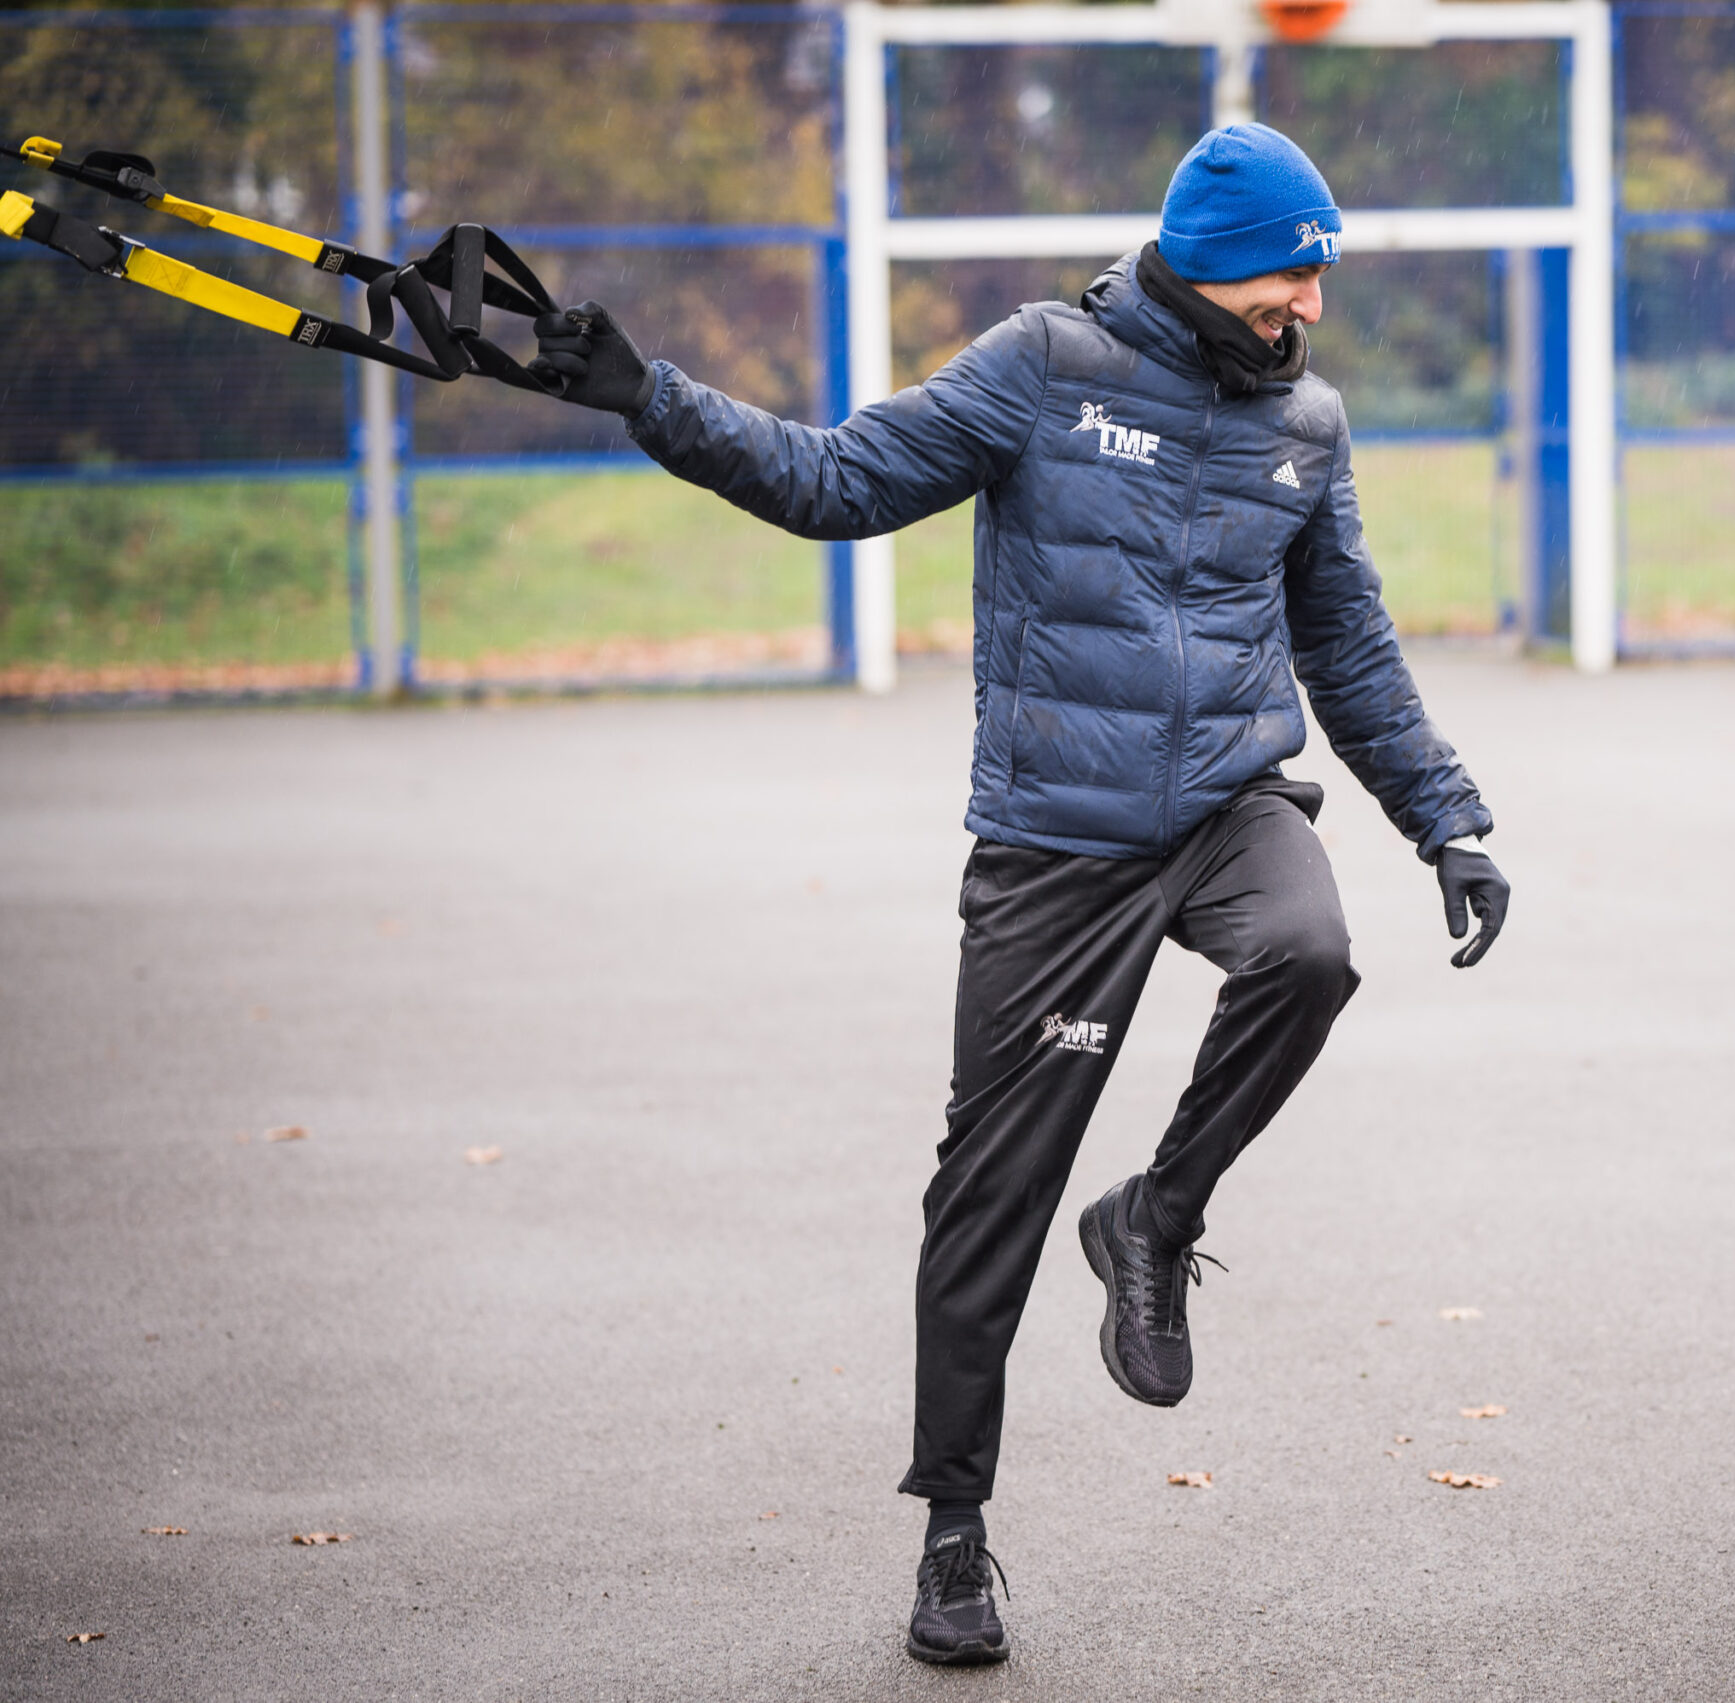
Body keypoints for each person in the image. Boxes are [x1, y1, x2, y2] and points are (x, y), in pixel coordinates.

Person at [527, 123, 1510, 1663]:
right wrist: (653, 399)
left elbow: (1351, 645)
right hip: (1058, 843)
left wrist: (1445, 820)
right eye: (1287, 277)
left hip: (1228, 805)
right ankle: (955, 1538)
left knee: (1310, 953)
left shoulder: (1306, 427)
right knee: (989, 1195)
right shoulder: (1043, 367)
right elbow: (837, 480)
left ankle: (1157, 1217)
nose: (1308, 308)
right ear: (1203, 258)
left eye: (1320, 282)